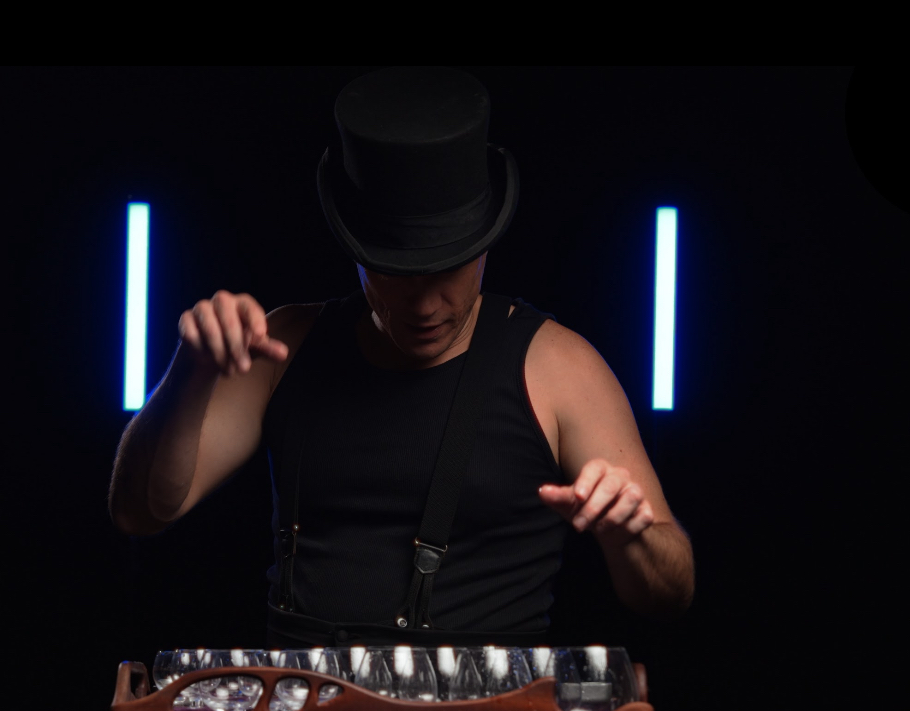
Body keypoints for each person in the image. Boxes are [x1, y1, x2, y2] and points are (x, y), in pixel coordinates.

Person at [108, 68, 694, 647]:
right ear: (356, 251)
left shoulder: (562, 370)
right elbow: (140, 511)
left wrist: (630, 536)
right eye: (397, 271)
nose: (426, 305)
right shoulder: (281, 346)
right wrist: (190, 372)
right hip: (301, 696)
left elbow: (672, 591)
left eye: (448, 268)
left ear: (485, 246)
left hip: (492, 702)